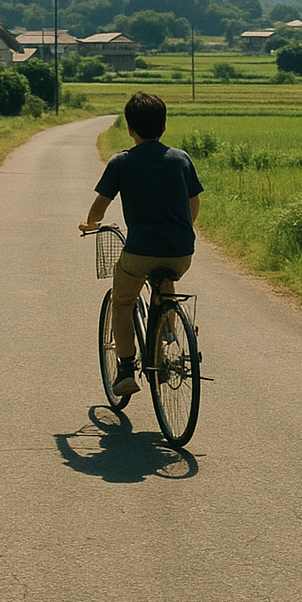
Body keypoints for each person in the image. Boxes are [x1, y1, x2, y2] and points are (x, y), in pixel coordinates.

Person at [79, 92, 203, 396]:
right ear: (163, 127)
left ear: (130, 129)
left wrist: (91, 224)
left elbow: (100, 206)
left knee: (122, 301)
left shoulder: (122, 161)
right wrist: (183, 230)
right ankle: (166, 336)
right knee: (166, 284)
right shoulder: (180, 158)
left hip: (139, 251)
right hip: (181, 250)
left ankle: (124, 369)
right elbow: (194, 203)